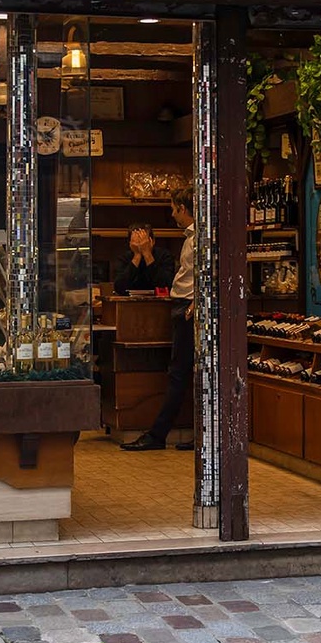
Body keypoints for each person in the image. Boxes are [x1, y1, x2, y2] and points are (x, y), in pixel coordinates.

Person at [122, 187, 196, 452]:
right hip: (181, 307)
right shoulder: (190, 238)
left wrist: (197, 302)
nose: (172, 213)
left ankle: (158, 435)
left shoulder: (198, 238)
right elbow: (121, 283)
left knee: (179, 373)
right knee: (184, 373)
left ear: (183, 209)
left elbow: (209, 273)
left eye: (174, 208)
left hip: (188, 309)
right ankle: (198, 433)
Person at [113, 223, 174, 295]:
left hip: (159, 302)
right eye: (137, 240)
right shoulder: (124, 258)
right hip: (129, 303)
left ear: (152, 241)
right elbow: (119, 287)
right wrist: (137, 256)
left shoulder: (164, 256)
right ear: (130, 243)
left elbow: (166, 284)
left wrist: (147, 254)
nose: (141, 244)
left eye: (143, 240)